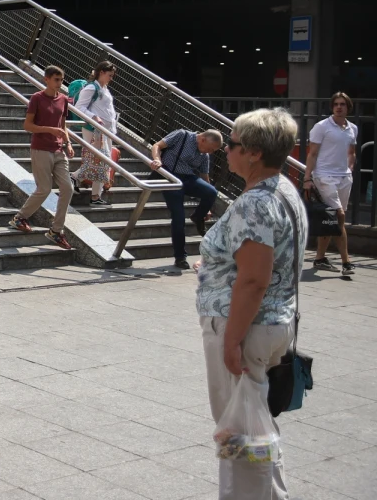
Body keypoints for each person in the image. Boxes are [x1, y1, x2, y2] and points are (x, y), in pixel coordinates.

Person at [195, 108, 305, 500]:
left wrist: (231, 342)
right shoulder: (285, 190)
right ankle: (269, 494)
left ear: (255, 152)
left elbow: (255, 278)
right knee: (254, 429)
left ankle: (247, 496)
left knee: (238, 432)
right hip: (273, 323)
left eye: (234, 143)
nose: (226, 150)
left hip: (245, 328)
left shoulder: (256, 202)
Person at [9, 65, 76, 249]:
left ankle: (56, 231)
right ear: (46, 79)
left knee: (68, 188)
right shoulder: (37, 99)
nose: (59, 83)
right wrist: (49, 130)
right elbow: (27, 126)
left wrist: (68, 143)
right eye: (56, 80)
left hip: (58, 150)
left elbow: (62, 125)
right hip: (40, 149)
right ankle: (19, 218)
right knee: (44, 188)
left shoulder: (63, 99)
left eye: (61, 80)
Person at [150, 128, 224, 269]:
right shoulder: (182, 135)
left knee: (211, 192)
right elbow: (157, 145)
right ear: (202, 139)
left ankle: (197, 217)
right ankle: (180, 257)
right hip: (171, 177)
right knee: (178, 218)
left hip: (188, 178)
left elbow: (204, 177)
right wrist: (157, 160)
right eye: (210, 148)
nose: (210, 152)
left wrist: (206, 207)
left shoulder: (204, 155)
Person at [305, 92, 358, 275]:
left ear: (347, 107)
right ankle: (346, 262)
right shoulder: (321, 127)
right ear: (332, 106)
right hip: (324, 176)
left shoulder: (352, 128)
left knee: (330, 219)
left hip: (344, 177)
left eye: (342, 104)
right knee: (339, 216)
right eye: (336, 104)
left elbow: (351, 151)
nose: (339, 107)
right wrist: (307, 178)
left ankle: (319, 258)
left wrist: (349, 169)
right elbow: (311, 154)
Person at [71, 61, 118, 206]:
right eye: (110, 75)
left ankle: (94, 195)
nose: (111, 78)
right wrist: (94, 117)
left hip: (106, 131)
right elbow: (79, 107)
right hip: (94, 130)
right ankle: (76, 178)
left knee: (103, 162)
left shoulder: (104, 88)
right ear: (102, 72)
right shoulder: (92, 88)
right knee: (98, 161)